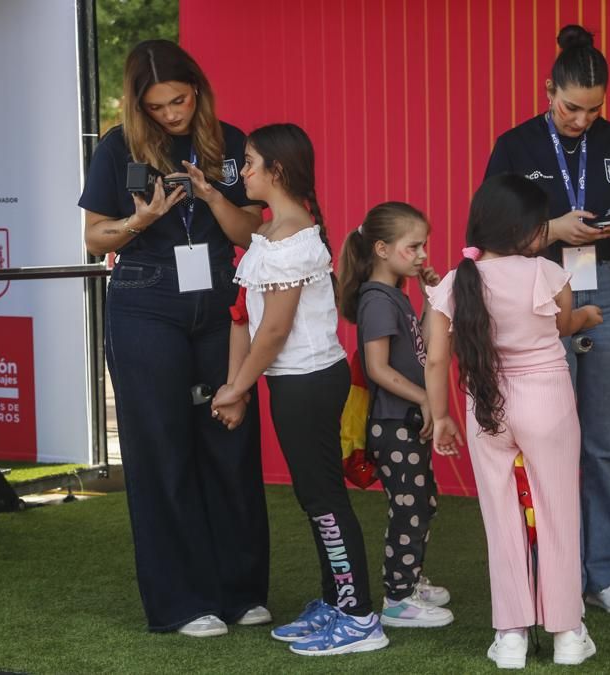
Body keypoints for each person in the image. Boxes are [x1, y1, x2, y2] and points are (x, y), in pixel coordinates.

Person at [78, 39, 269, 637]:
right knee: (161, 447)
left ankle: (241, 591)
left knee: (230, 436)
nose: (171, 114)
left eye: (179, 101)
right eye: (157, 107)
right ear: (140, 105)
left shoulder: (230, 142)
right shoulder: (118, 147)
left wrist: (211, 196)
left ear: (198, 91)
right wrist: (140, 220)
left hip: (218, 295)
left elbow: (250, 230)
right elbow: (94, 237)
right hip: (145, 297)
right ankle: (183, 602)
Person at [484, 23, 610, 614]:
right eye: (570, 108)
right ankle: (554, 572)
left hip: (607, 287)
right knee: (548, 441)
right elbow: (492, 235)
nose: (581, 120)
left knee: (603, 443)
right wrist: (552, 230)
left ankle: (607, 573)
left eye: (593, 110)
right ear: (548, 91)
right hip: (540, 291)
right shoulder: (515, 145)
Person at [210, 123, 386, 656]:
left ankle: (358, 617)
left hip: (308, 383)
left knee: (324, 499)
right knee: (315, 499)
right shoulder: (268, 232)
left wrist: (237, 389)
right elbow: (243, 316)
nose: (242, 172)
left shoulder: (293, 238)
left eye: (249, 162)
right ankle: (336, 602)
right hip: (292, 382)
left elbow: (275, 330)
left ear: (277, 171)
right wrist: (236, 387)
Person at [426, 174, 603, 668]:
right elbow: (561, 325)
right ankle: (568, 634)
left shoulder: (455, 281)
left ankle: (510, 637)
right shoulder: (548, 273)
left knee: (501, 519)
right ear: (524, 229)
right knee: (558, 514)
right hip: (548, 400)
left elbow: (437, 359)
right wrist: (586, 318)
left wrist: (440, 417)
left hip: (486, 404)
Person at [335, 201, 454, 629]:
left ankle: (410, 580)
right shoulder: (377, 300)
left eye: (424, 246)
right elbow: (377, 368)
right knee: (409, 507)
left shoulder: (394, 296)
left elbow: (420, 346)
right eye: (414, 246)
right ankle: (399, 598)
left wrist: (429, 297)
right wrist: (423, 398)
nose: (423, 255)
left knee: (422, 501)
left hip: (405, 423)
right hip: (392, 425)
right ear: (382, 249)